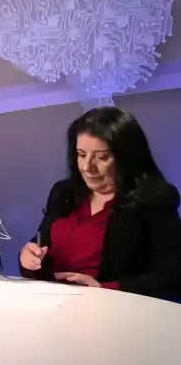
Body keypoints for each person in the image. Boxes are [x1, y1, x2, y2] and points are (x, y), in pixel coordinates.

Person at [19, 106, 181, 300]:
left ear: (126, 158)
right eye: (81, 155)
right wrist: (28, 258)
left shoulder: (155, 199)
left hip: (111, 308)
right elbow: (40, 245)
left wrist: (103, 288)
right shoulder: (63, 192)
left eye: (102, 157)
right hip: (50, 301)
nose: (87, 167)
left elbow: (173, 277)